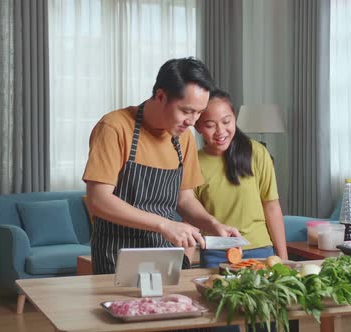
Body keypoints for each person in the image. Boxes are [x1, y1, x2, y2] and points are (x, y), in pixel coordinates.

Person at [83, 58, 241, 274]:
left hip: (167, 255)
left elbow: (184, 199)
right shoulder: (114, 128)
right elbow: (98, 200)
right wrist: (165, 225)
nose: (192, 121)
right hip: (117, 256)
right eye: (186, 111)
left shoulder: (183, 137)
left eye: (198, 113)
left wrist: (212, 224)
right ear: (160, 96)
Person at [194, 89, 288, 268]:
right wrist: (183, 267)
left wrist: (283, 259)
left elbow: (272, 207)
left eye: (226, 121)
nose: (220, 131)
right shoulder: (194, 162)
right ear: (197, 126)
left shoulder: (257, 152)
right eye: (210, 125)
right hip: (215, 253)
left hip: (260, 250)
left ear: (234, 118)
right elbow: (191, 218)